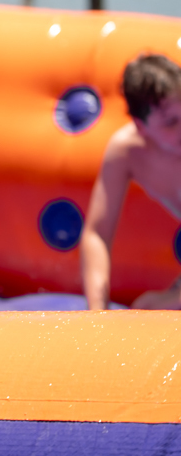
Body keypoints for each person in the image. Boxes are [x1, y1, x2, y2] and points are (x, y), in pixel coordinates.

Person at [81, 53, 181, 310]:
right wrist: (97, 313)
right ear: (141, 126)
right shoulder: (126, 152)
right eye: (171, 122)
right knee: (145, 309)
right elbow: (96, 235)